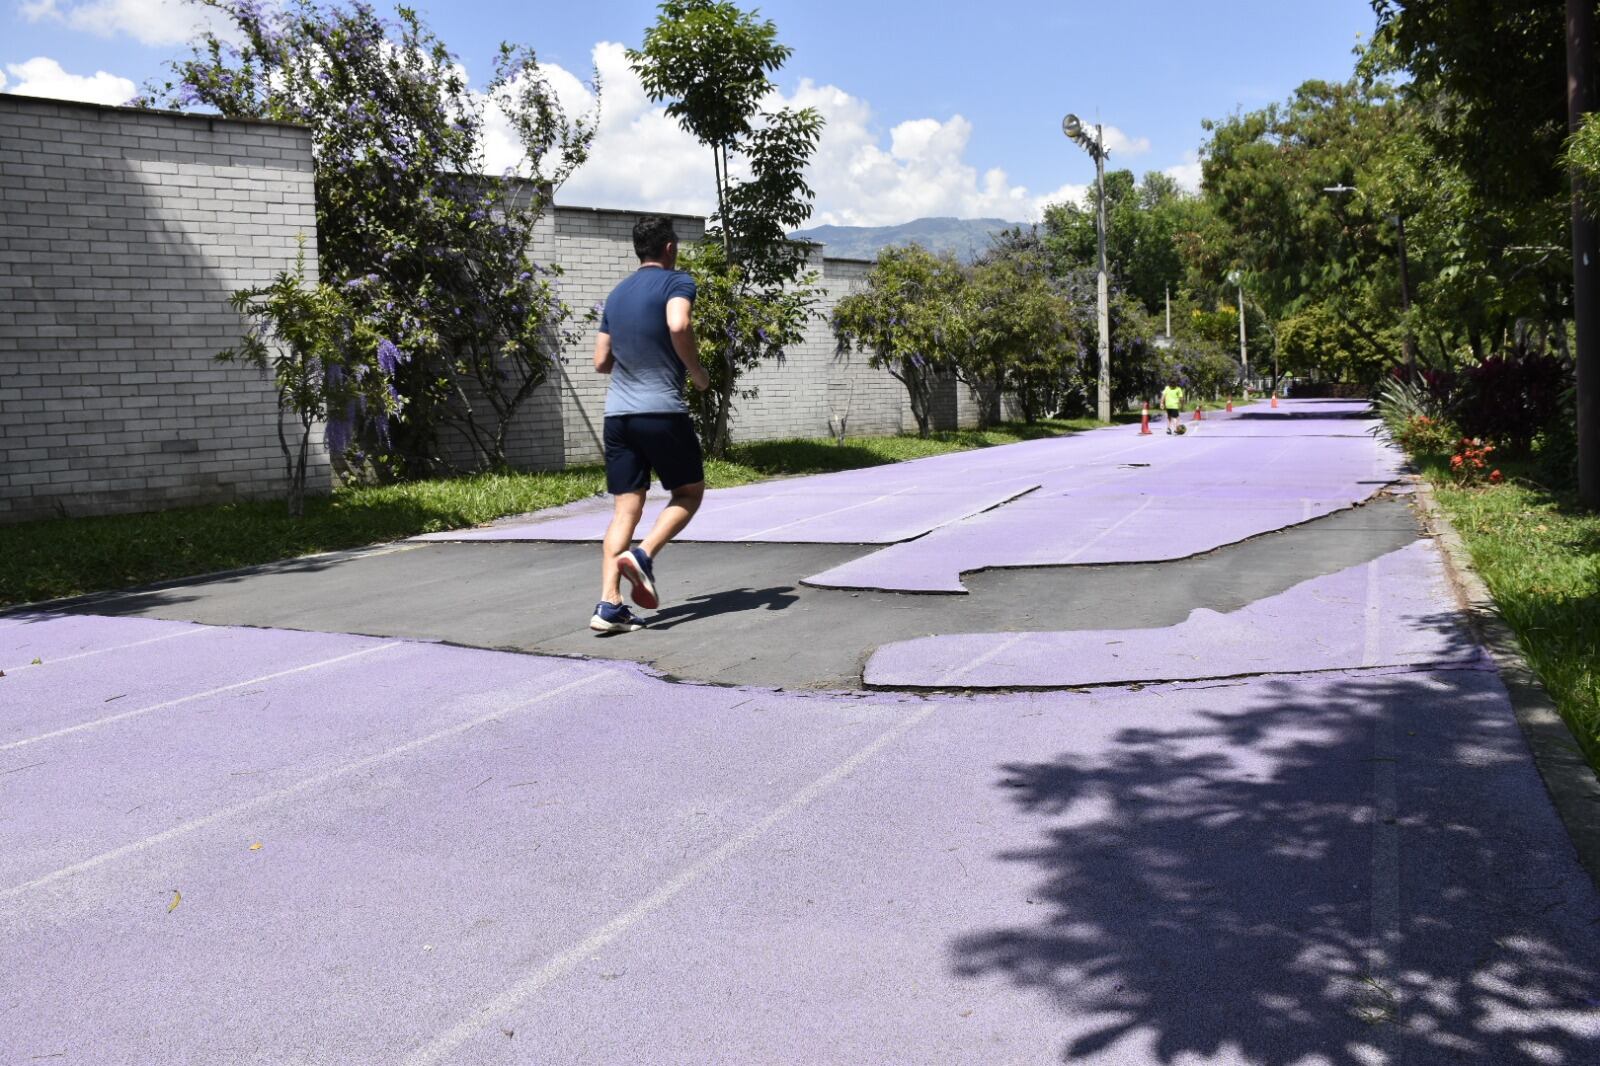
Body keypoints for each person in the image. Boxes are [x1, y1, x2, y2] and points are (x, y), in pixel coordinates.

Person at [588, 216, 711, 634]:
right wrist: (695, 371)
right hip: (661, 411)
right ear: (670, 248)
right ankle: (644, 555)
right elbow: (679, 324)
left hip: (617, 416)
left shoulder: (617, 294)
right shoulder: (676, 283)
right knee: (689, 493)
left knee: (626, 508)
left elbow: (601, 361)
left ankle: (609, 605)